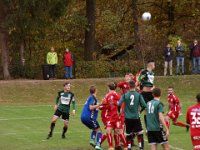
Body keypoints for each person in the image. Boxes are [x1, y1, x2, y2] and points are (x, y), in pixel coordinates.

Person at [118, 80, 147, 150]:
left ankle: (129, 147)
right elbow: (144, 105)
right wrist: (140, 111)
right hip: (136, 117)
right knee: (139, 133)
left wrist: (119, 111)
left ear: (128, 86)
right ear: (135, 86)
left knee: (128, 133)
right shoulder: (138, 95)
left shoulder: (125, 95)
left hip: (127, 118)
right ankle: (141, 147)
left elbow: (118, 104)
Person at [102, 82, 127, 150]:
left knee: (116, 131)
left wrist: (101, 106)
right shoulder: (113, 95)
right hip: (113, 116)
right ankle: (113, 146)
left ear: (108, 88)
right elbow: (106, 104)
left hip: (115, 116)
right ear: (115, 88)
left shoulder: (112, 95)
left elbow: (121, 103)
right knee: (112, 131)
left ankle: (123, 146)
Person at [80, 86, 102, 150]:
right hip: (89, 118)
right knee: (99, 130)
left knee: (94, 129)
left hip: (83, 118)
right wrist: (99, 104)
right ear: (96, 91)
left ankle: (92, 140)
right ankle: (98, 144)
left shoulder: (90, 98)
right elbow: (91, 107)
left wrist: (100, 105)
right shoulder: (92, 97)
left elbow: (97, 107)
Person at [139, 60, 155, 126]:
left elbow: (151, 82)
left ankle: (148, 127)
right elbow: (140, 79)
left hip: (151, 94)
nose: (154, 66)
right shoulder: (144, 72)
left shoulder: (152, 73)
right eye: (154, 65)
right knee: (145, 108)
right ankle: (134, 118)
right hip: (145, 93)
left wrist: (153, 87)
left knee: (149, 110)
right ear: (151, 65)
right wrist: (143, 87)